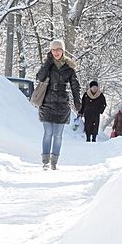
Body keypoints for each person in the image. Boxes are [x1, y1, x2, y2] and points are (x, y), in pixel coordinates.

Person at [36, 39, 80, 170]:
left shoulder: (69, 67)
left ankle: (54, 161)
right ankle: (45, 161)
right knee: (48, 132)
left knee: (58, 135)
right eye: (53, 50)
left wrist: (77, 101)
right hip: (47, 103)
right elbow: (40, 77)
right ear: (50, 51)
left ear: (63, 50)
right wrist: (48, 63)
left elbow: (75, 86)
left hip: (62, 104)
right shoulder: (48, 64)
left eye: (58, 49)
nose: (56, 52)